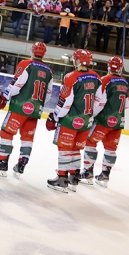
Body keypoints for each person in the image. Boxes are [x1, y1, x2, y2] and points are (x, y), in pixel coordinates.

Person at [0, 42, 53, 178]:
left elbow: (17, 84)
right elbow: (49, 94)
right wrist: (36, 104)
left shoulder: (26, 64)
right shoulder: (49, 71)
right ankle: (21, 164)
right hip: (35, 110)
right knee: (27, 137)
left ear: (32, 51)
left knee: (6, 132)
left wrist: (5, 96)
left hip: (19, 107)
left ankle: (2, 162)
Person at [45, 49, 102, 193]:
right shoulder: (96, 77)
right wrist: (89, 115)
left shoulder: (71, 77)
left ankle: (62, 179)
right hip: (86, 122)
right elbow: (100, 101)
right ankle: (73, 177)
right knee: (76, 149)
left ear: (77, 61)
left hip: (70, 121)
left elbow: (66, 101)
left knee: (64, 148)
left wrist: (55, 116)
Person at [79, 56, 129, 187]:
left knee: (90, 142)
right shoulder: (124, 83)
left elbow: (100, 102)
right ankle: (105, 176)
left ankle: (87, 172)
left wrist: (92, 115)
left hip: (103, 120)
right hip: (118, 122)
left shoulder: (105, 80)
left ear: (108, 67)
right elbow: (127, 104)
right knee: (111, 148)